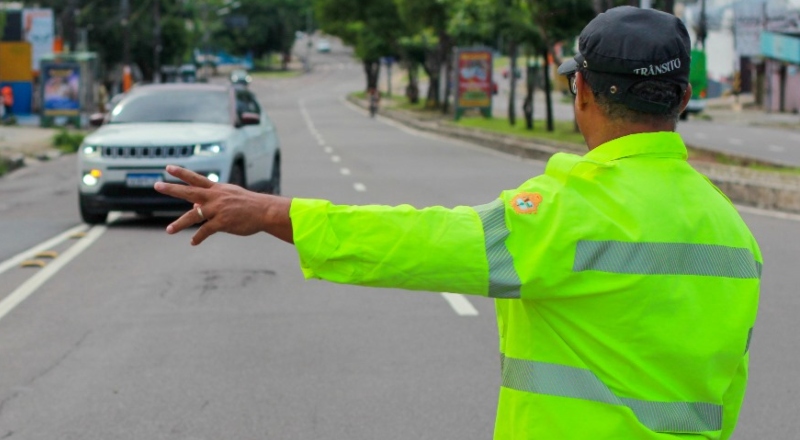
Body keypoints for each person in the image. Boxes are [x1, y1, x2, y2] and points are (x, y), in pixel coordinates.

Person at [155, 7, 761, 439]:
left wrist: (268, 211)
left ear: (581, 93)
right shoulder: (735, 233)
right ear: (682, 99)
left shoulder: (569, 212)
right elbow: (726, 389)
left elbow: (418, 242)